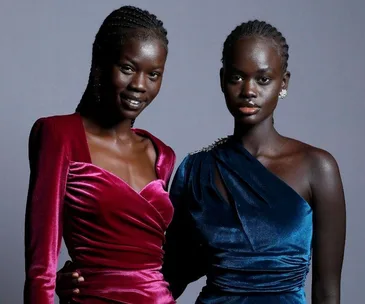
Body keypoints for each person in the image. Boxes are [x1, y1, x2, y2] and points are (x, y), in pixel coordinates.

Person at [57, 20, 346, 304]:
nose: (248, 90)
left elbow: (327, 290)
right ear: (222, 80)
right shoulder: (196, 171)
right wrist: (91, 280)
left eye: (263, 79)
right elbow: (166, 274)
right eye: (236, 77)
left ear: (283, 83)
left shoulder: (317, 168)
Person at [24, 6, 176, 304]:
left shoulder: (162, 154)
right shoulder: (59, 135)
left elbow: (157, 259)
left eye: (153, 74)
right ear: (101, 63)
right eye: (128, 68)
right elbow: (40, 269)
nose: (140, 86)